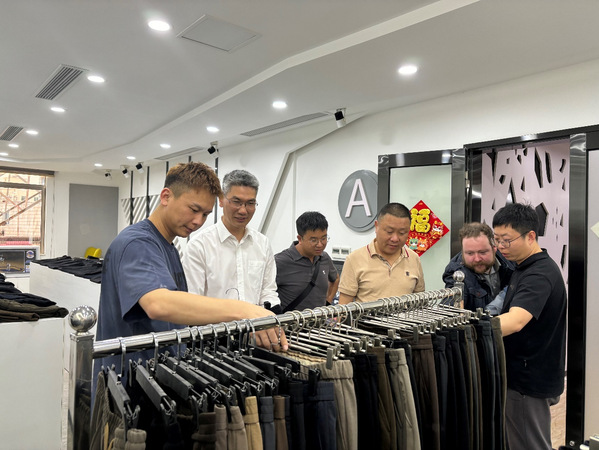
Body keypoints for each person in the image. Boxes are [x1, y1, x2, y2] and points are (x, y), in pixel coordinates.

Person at [96, 162, 287, 374]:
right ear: (166, 197)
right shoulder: (138, 243)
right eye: (194, 210)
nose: (198, 221)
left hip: (157, 371)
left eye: (205, 214)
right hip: (130, 376)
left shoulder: (167, 247)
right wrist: (246, 311)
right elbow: (158, 304)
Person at [493, 203, 566, 450]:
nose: (500, 247)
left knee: (529, 444)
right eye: (497, 240)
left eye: (506, 240)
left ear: (531, 236)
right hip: (527, 374)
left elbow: (516, 321)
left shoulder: (539, 273)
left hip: (528, 379)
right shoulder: (523, 267)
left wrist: (470, 329)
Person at [182, 169, 281, 311]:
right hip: (215, 324)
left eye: (250, 203)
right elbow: (193, 299)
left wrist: (272, 313)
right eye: (236, 202)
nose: (243, 210)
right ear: (221, 200)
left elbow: (268, 291)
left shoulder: (262, 243)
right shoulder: (199, 246)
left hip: (257, 323)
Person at [338, 202, 425, 304]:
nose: (395, 238)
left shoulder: (414, 258)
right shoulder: (354, 259)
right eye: (389, 231)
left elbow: (420, 301)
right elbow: (344, 306)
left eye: (402, 233)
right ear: (376, 226)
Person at [442, 222, 514, 314]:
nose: (477, 259)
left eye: (482, 252)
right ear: (463, 252)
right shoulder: (456, 273)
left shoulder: (510, 261)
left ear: (494, 248)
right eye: (470, 253)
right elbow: (451, 305)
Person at [275, 211, 340, 311]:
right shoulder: (280, 262)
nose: (320, 244)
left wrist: (327, 303)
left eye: (324, 238)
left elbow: (335, 279)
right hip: (290, 320)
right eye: (313, 240)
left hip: (320, 320)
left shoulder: (324, 258)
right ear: (300, 238)